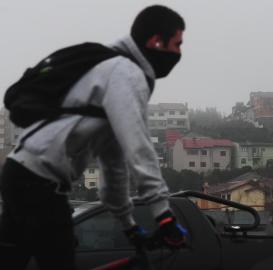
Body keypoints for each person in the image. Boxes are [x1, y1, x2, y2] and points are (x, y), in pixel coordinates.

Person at [0, 5, 186, 270]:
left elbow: (114, 165)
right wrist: (163, 214)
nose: (179, 52)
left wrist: (128, 225)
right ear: (156, 41)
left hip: (19, 174)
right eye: (177, 44)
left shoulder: (109, 71)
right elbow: (139, 147)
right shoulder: (126, 73)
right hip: (39, 184)